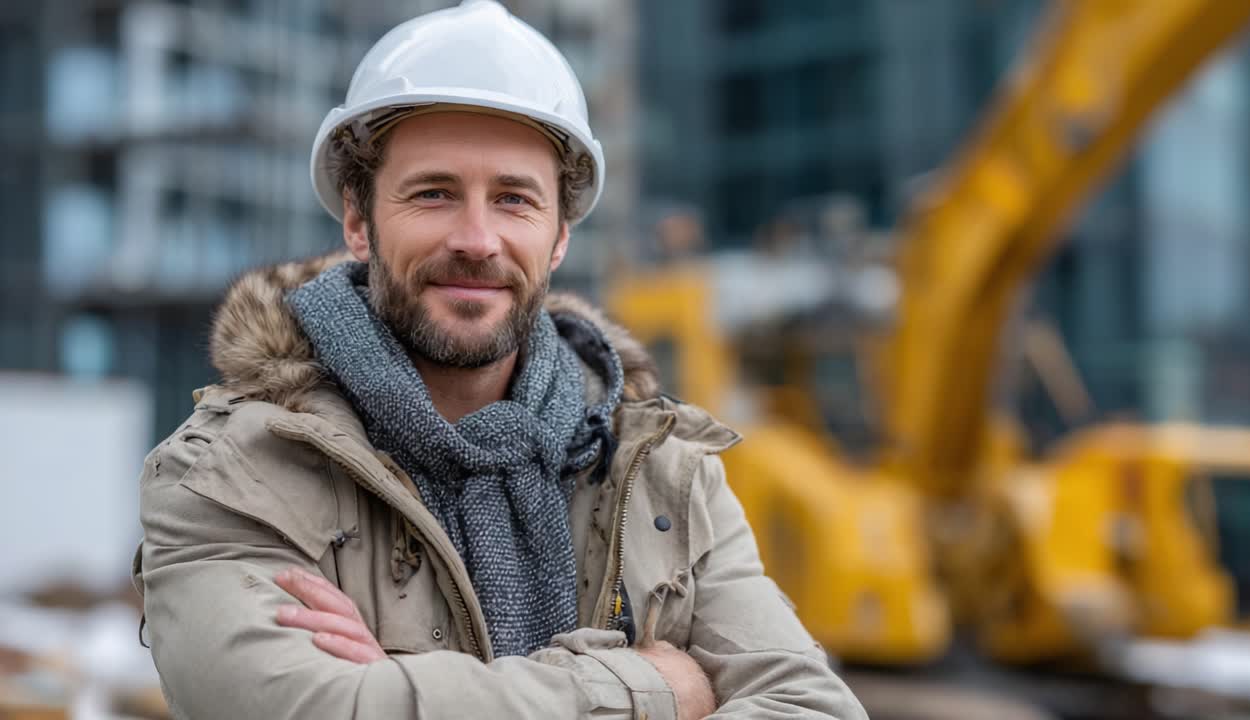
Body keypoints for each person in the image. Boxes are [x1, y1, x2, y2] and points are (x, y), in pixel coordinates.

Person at [132, 2, 866, 717]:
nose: (477, 239)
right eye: (434, 193)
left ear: (558, 239)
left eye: (514, 199)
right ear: (359, 222)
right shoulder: (233, 473)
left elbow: (813, 707)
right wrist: (658, 690)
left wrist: (402, 691)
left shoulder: (667, 478)